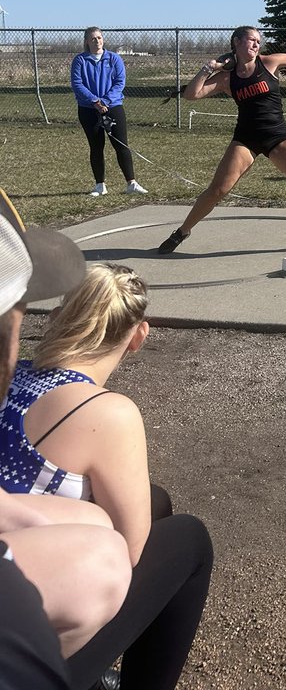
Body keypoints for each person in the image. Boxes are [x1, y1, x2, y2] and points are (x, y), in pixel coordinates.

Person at [0, 188, 131, 688]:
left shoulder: (30, 376)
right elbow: (131, 555)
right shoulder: (110, 414)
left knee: (102, 519)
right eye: (18, 308)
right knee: (184, 545)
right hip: (36, 612)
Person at [157, 26, 286, 255]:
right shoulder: (226, 78)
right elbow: (191, 95)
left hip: (277, 135)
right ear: (236, 42)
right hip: (246, 138)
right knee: (218, 189)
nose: (256, 44)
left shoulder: (269, 62)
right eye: (251, 40)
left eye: (258, 41)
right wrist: (209, 68)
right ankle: (182, 232)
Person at [71, 28, 147, 199]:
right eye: (93, 38)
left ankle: (131, 183)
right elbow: (77, 83)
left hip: (113, 106)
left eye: (99, 37)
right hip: (88, 109)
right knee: (96, 146)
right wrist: (94, 101)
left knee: (121, 145)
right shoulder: (80, 61)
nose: (97, 41)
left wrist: (105, 101)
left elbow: (120, 82)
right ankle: (100, 185)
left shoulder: (114, 58)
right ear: (86, 42)